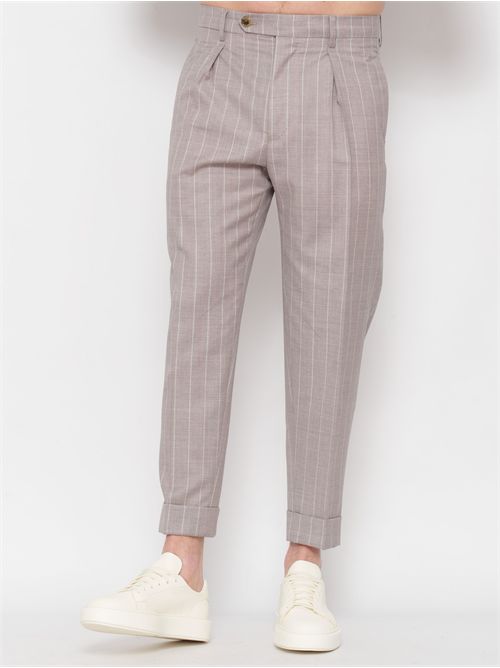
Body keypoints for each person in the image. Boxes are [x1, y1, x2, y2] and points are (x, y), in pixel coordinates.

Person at [81, 0, 388, 652]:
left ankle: (305, 567)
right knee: (198, 310)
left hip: (336, 59)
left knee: (330, 318)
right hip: (223, 57)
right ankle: (181, 566)